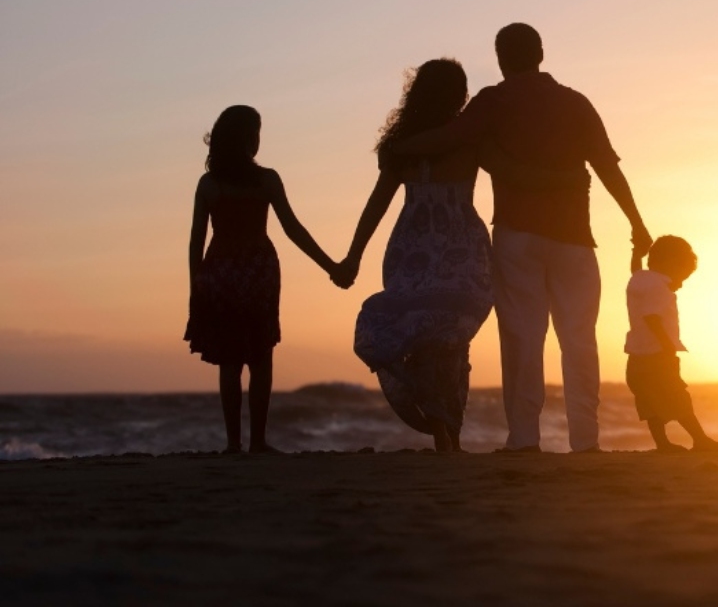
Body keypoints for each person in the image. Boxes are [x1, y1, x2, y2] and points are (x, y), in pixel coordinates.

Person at [395, 24, 652, 453]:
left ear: (500, 58)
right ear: (542, 53)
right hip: (574, 239)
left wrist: (398, 149)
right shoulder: (575, 102)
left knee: (522, 337)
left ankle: (524, 440)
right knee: (579, 339)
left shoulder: (493, 101)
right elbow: (608, 167)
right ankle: (586, 441)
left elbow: (451, 137)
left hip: (518, 237)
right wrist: (637, 225)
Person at [338, 59, 493, 453]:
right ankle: (448, 430)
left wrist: (354, 256)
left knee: (427, 336)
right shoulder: (469, 138)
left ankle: (443, 426)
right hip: (460, 247)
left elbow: (376, 205)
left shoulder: (401, 146)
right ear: (458, 94)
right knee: (452, 339)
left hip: (412, 248)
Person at [186, 105, 346, 454]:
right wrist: (331, 266)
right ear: (248, 139)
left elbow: (197, 240)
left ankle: (233, 444)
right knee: (260, 357)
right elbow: (293, 230)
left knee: (229, 361)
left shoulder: (209, 184)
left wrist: (194, 287)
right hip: (258, 272)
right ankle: (258, 441)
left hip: (221, 272)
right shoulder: (266, 180)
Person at [625, 236, 718, 452]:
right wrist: (667, 345)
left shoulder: (640, 278)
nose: (679, 285)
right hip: (657, 356)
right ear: (671, 264)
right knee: (678, 398)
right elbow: (651, 317)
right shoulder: (659, 288)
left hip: (636, 359)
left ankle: (662, 444)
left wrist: (636, 254)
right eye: (681, 276)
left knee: (649, 403)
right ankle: (700, 440)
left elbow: (636, 270)